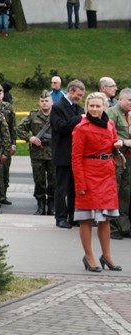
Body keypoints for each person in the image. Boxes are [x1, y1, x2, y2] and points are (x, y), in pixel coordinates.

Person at [71, 92, 123, 272]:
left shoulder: (110, 124)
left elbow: (113, 141)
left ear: (104, 107)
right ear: (87, 107)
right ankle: (89, 256)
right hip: (89, 174)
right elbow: (76, 158)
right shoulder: (81, 128)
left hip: (107, 174)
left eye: (97, 106)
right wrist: (80, 183)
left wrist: (117, 143)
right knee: (86, 218)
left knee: (105, 218)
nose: (94, 109)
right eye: (91, 106)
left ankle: (107, 256)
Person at [51, 79, 86, 229]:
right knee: (62, 188)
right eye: (79, 94)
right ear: (71, 91)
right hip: (63, 153)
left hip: (76, 154)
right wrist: (79, 119)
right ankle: (60, 217)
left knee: (74, 188)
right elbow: (60, 127)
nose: (80, 98)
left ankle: (73, 216)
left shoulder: (77, 107)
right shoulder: (58, 107)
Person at [17, 90, 56, 216]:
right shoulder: (33, 115)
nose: (44, 103)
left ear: (52, 102)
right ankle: (40, 205)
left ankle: (52, 204)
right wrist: (30, 138)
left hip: (53, 153)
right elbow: (19, 129)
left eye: (47, 101)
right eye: (42, 101)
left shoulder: (57, 115)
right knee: (39, 180)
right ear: (39, 102)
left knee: (53, 180)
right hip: (37, 154)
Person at [107, 88, 131, 240]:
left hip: (127, 158)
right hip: (116, 156)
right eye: (129, 100)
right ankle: (112, 227)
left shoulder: (128, 114)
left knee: (125, 192)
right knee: (113, 191)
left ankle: (124, 226)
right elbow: (107, 135)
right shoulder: (112, 113)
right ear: (120, 99)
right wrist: (123, 141)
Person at [0, 83, 16, 204]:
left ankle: (3, 195)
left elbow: (13, 127)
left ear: (3, 94)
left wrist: (13, 143)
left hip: (6, 144)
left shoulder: (8, 107)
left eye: (0, 93)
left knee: (5, 170)